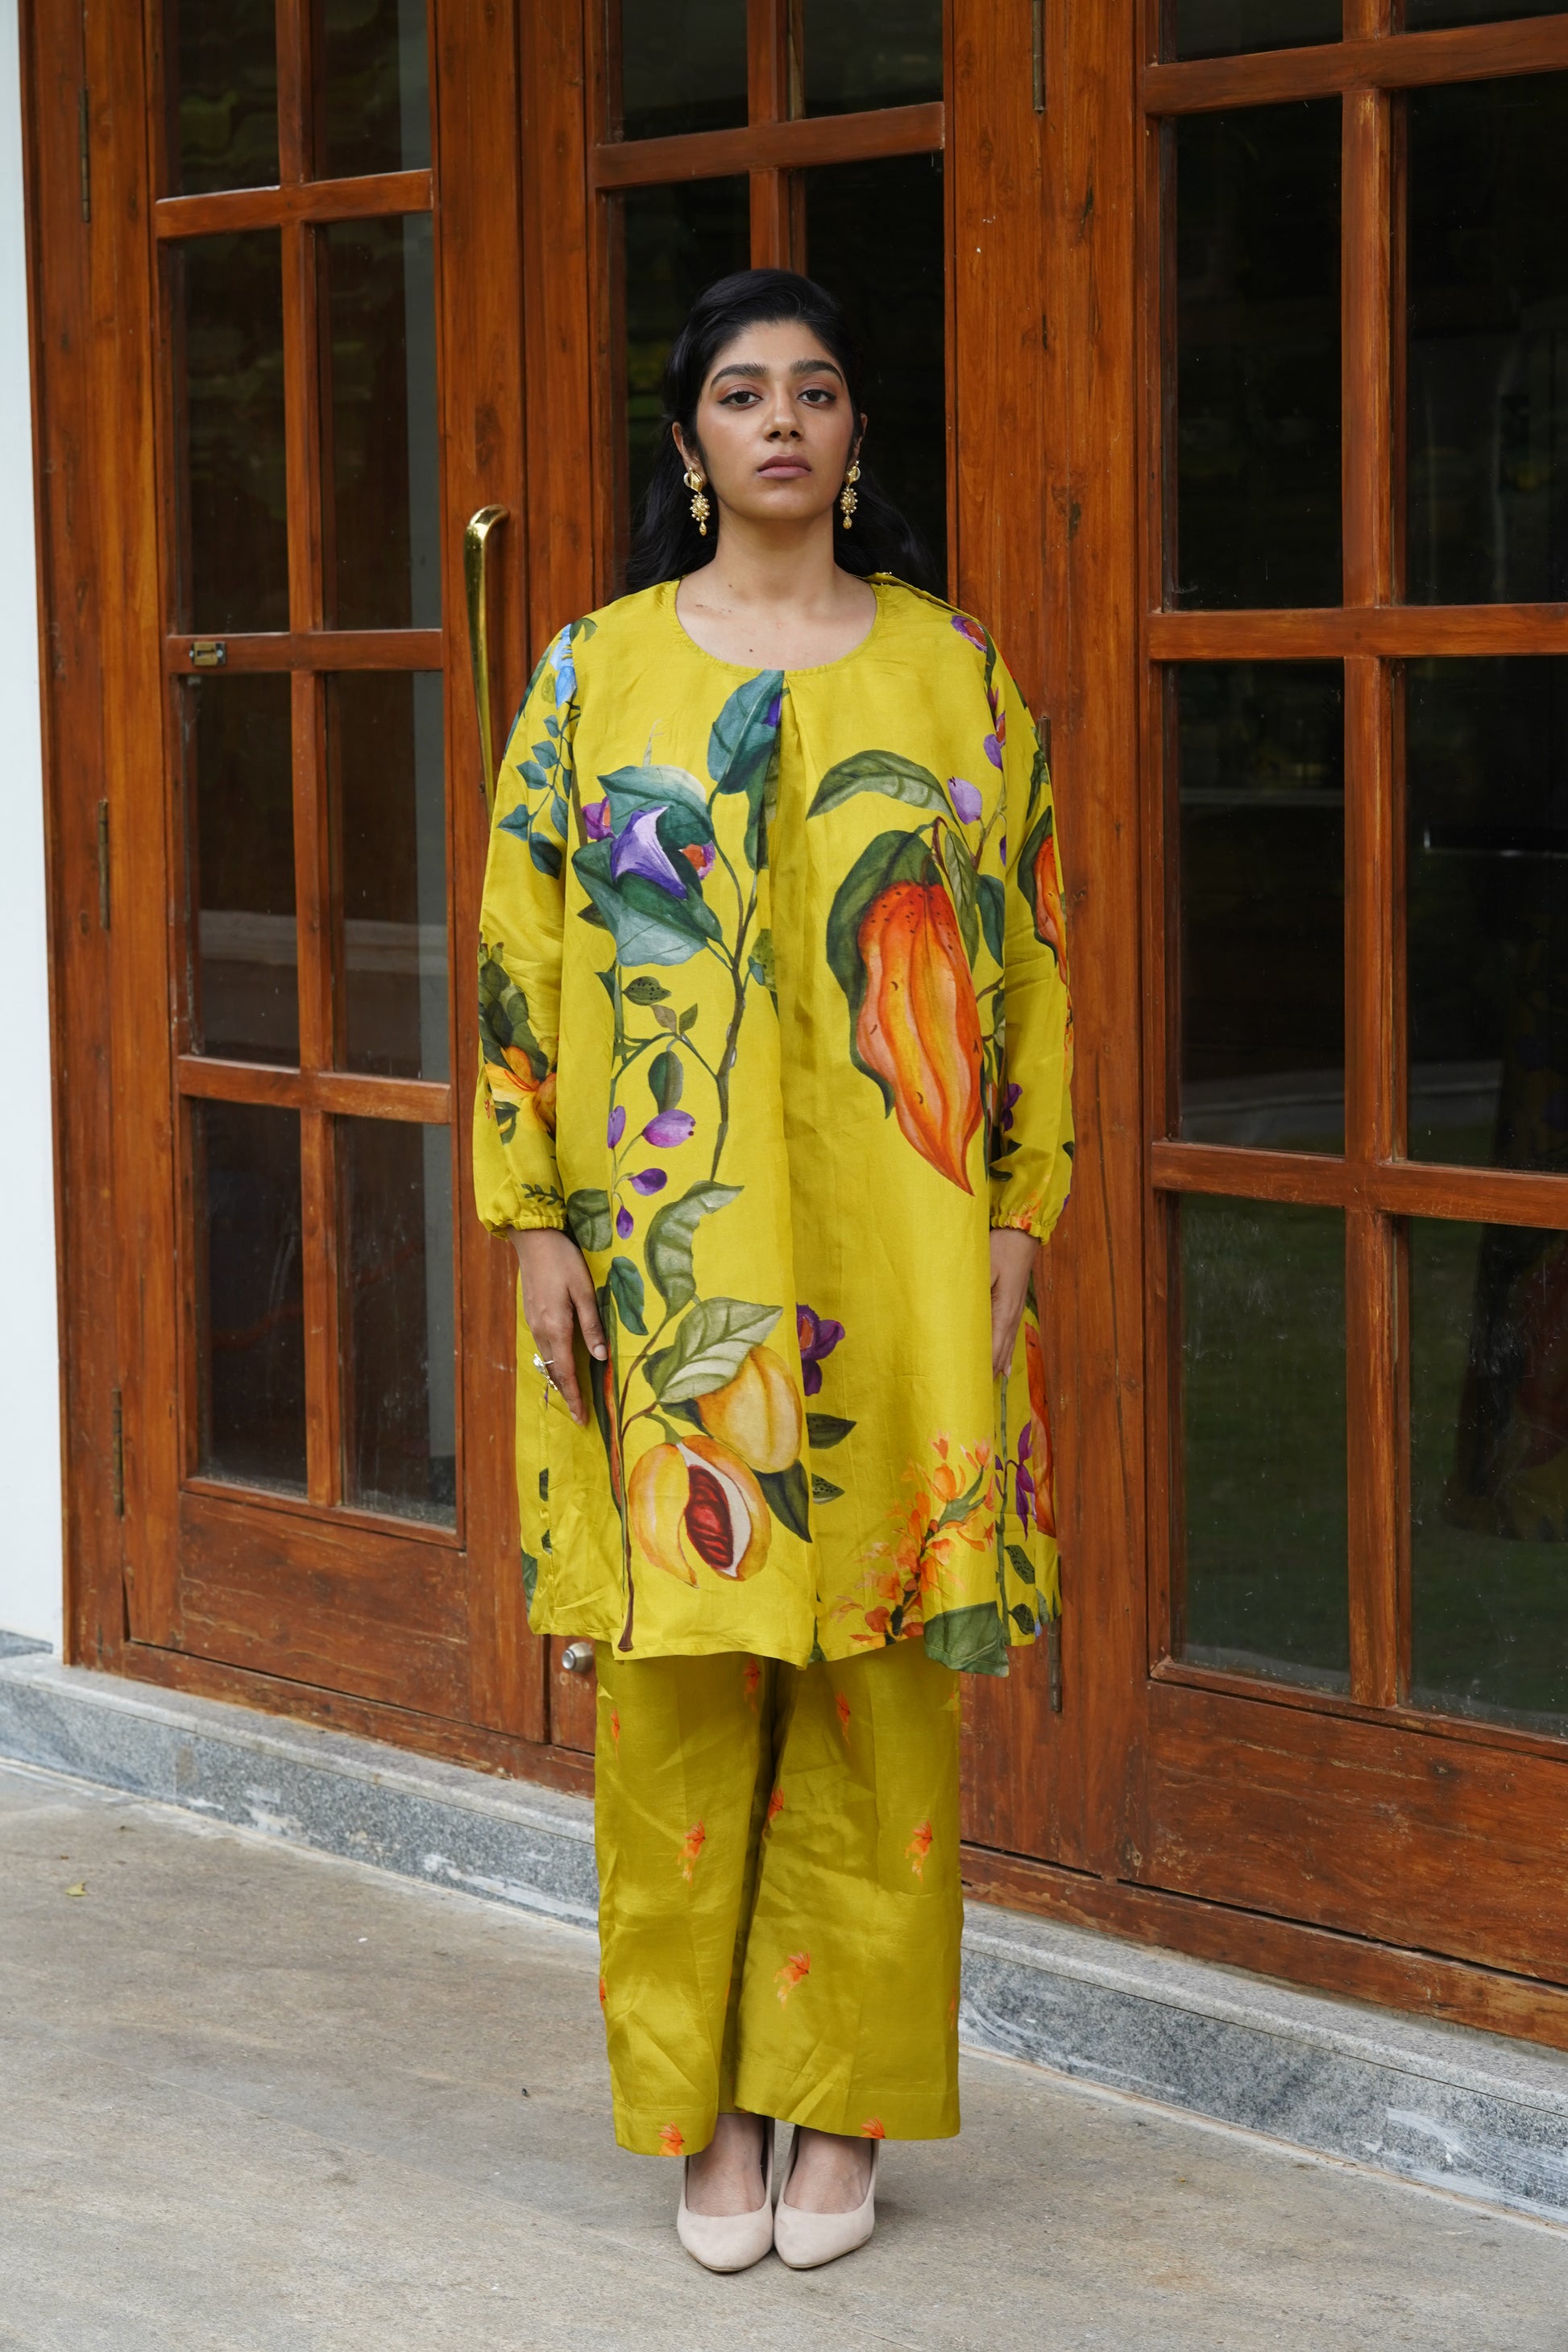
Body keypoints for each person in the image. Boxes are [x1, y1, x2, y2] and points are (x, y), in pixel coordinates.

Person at [472, 268, 1073, 2272]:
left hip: (906, 1248)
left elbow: (1028, 954)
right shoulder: (594, 671)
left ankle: (844, 2098)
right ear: (688, 441)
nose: (783, 423)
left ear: (855, 435)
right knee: (677, 1677)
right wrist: (532, 1218)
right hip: (670, 1255)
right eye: (743, 394)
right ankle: (705, 2102)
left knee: (881, 1677)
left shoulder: (954, 672)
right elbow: (521, 956)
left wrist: (1018, 1210)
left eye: (815, 390)